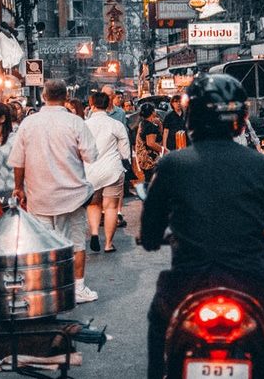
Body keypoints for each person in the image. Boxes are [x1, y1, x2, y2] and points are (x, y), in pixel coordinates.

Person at [140, 74, 264, 379]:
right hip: (251, 284)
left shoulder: (172, 165)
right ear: (240, 120)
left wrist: (151, 239)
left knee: (158, 320)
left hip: (186, 285)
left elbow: (150, 230)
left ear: (191, 117)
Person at [9, 79, 100, 303]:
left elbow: (18, 162)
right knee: (76, 243)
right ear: (66, 97)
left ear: (43, 96)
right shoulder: (75, 122)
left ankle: (46, 287)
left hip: (39, 196)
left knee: (42, 245)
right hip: (72, 195)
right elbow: (91, 155)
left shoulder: (28, 124)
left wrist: (19, 188)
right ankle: (78, 288)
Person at [84, 91, 129, 253]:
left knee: (93, 204)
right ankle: (108, 244)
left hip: (90, 170)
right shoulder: (116, 125)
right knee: (110, 208)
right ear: (108, 105)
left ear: (92, 105)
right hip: (112, 170)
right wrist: (126, 163)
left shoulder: (84, 125)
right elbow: (124, 151)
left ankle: (95, 233)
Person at [137, 103, 163, 172]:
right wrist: (164, 150)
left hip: (142, 159)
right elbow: (151, 143)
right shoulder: (150, 126)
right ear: (152, 112)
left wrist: (159, 124)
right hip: (150, 160)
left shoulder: (142, 123)